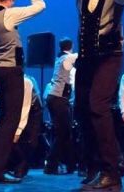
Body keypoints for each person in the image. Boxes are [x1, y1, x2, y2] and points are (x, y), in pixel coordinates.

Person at [61, 0, 124, 190]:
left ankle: (112, 171)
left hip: (110, 54)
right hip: (88, 55)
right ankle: (93, 166)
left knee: (97, 106)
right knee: (82, 108)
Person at [0, 0, 45, 184]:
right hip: (11, 71)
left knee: (4, 121)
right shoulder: (8, 14)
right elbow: (40, 5)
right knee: (10, 121)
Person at [44, 38, 78, 174]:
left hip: (55, 98)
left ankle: (68, 164)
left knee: (64, 133)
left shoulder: (60, 58)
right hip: (58, 99)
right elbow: (79, 56)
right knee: (63, 133)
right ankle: (51, 164)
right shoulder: (67, 57)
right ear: (71, 46)